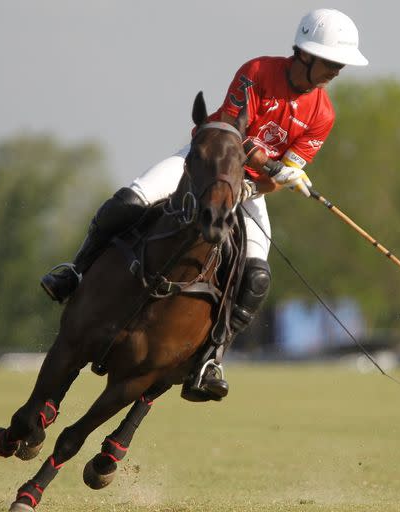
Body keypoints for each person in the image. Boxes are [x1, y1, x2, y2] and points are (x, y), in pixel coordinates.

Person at [40, 8, 368, 401]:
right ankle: (74, 274)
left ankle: (212, 357)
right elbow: (228, 131)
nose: (336, 71)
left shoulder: (324, 114)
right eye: (331, 62)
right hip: (204, 161)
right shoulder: (259, 70)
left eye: (340, 65)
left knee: (257, 275)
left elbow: (282, 179)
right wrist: (273, 164)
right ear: (305, 54)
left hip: (247, 191)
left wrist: (271, 179)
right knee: (129, 200)